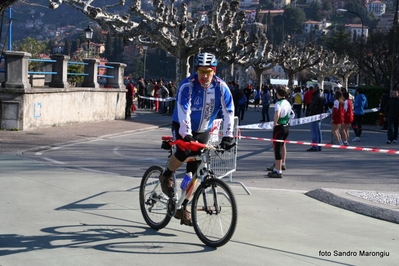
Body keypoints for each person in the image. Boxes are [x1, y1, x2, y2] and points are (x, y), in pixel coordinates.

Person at [158, 52, 235, 225]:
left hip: (203, 130)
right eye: (201, 72)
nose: (204, 76)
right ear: (196, 71)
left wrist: (228, 136)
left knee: (193, 171)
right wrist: (186, 134)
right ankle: (166, 175)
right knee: (184, 152)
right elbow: (183, 109)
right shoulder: (188, 86)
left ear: (214, 71)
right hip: (182, 126)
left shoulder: (221, 87)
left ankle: (183, 206)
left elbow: (229, 111)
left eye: (208, 72)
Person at [267, 85, 293, 178]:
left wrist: (275, 124)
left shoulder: (278, 103)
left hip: (279, 127)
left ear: (277, 93)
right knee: (282, 146)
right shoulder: (288, 103)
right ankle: (280, 165)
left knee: (277, 148)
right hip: (286, 126)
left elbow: (277, 114)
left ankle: (278, 170)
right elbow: (291, 114)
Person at [307, 84, 325, 151]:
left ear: (316, 88)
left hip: (314, 115)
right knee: (318, 130)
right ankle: (319, 145)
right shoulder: (321, 95)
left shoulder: (316, 96)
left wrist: (310, 113)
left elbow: (313, 105)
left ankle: (315, 146)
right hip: (319, 114)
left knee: (314, 130)